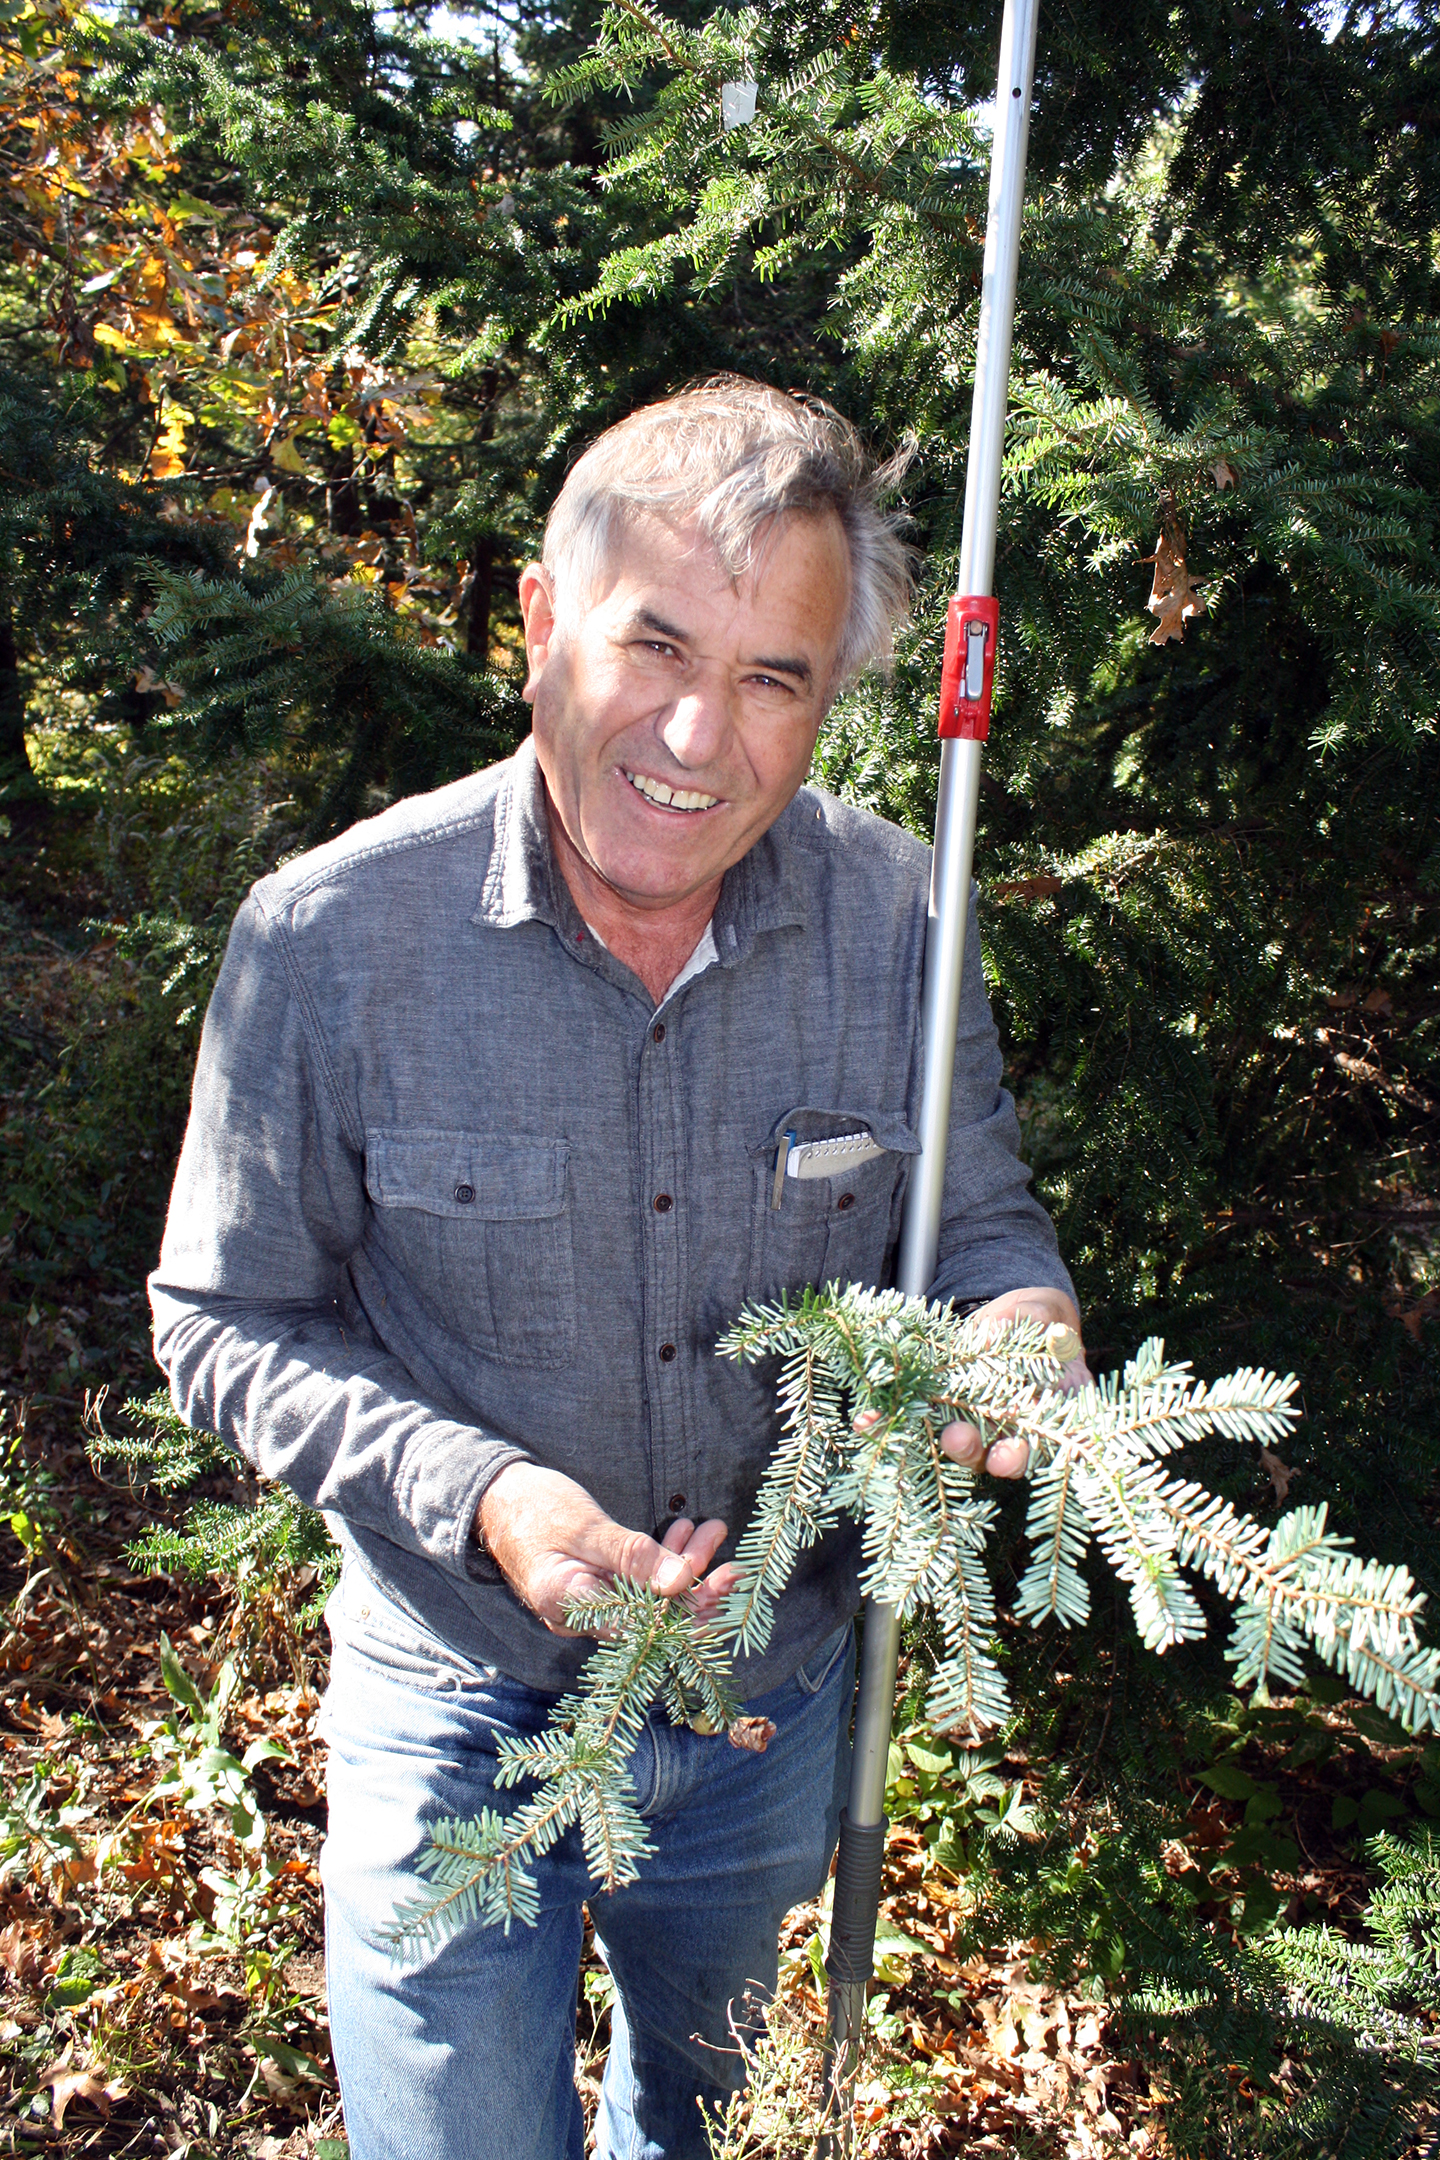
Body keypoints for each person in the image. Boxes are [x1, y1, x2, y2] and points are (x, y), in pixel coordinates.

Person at [150, 377, 1085, 2160]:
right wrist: (483, 1492)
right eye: (653, 644)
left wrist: (1018, 1326)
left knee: (708, 2132)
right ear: (537, 626)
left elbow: (974, 1226)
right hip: (454, 1709)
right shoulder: (333, 943)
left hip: (770, 1717)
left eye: (774, 679)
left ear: (830, 705)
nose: (696, 733)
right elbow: (223, 1316)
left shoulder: (906, 925)